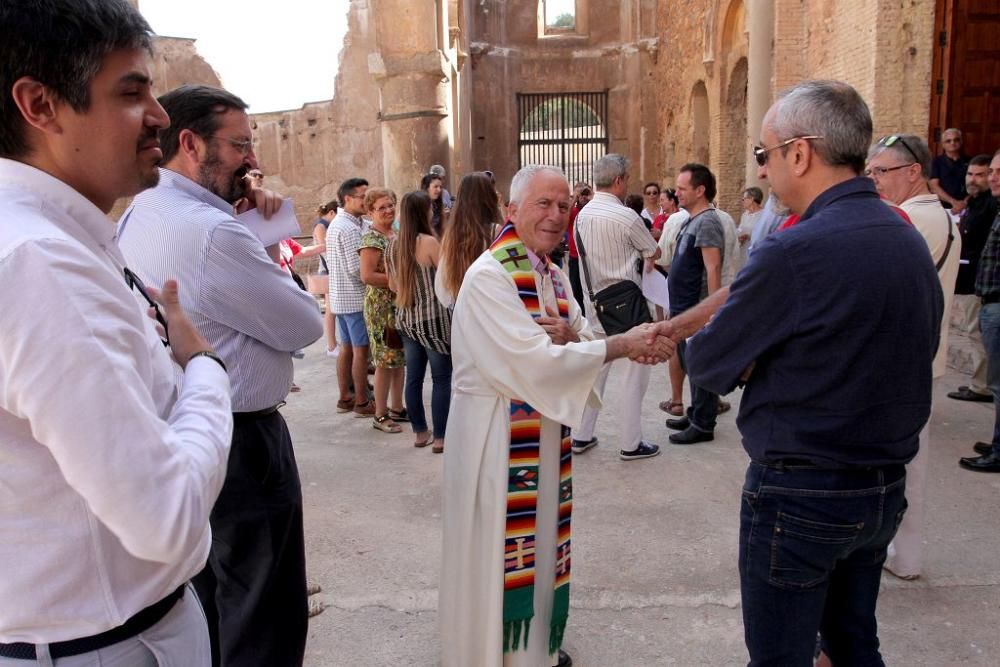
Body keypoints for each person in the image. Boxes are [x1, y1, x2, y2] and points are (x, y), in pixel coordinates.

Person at [654, 79, 942, 665]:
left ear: (800, 153)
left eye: (763, 155)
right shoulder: (905, 237)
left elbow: (707, 361)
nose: (761, 171)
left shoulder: (794, 250)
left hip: (802, 493)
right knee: (855, 641)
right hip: (882, 488)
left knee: (783, 654)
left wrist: (758, 350)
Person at [0, 3, 233, 664]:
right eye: (132, 92)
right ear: (40, 105)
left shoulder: (51, 237)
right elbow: (168, 516)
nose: (160, 115)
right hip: (107, 644)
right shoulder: (39, 262)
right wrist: (205, 370)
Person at [117, 84, 324, 667]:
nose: (252, 162)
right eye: (238, 146)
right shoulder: (214, 232)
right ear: (189, 143)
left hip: (184, 428)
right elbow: (304, 325)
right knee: (264, 614)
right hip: (243, 444)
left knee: (212, 605)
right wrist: (269, 237)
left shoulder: (143, 210)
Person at [439, 164, 675, 667]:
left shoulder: (551, 271)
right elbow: (535, 362)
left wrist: (582, 339)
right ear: (511, 210)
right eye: (542, 204)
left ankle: (532, 646)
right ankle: (492, 655)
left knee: (541, 541)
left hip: (541, 431)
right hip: (495, 438)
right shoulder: (489, 277)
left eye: (563, 205)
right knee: (496, 548)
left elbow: (580, 331)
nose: (554, 215)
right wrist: (621, 343)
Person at [865, 132, 961, 580]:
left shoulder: (909, 220)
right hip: (922, 357)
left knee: (899, 464)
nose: (874, 180)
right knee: (911, 461)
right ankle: (906, 555)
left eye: (881, 171)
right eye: (871, 171)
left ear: (913, 172)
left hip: (901, 361)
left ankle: (899, 554)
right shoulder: (939, 217)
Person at [572, 154, 662, 461]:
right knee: (635, 374)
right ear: (620, 180)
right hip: (629, 307)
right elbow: (653, 250)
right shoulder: (627, 217)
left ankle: (581, 434)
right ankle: (630, 442)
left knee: (595, 370)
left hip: (595, 304)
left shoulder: (581, 215)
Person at [387, 191, 453, 453]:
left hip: (406, 320)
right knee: (441, 379)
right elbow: (446, 280)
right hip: (434, 321)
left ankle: (419, 432)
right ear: (423, 212)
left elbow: (392, 284)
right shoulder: (429, 243)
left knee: (413, 379)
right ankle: (441, 437)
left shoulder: (392, 244)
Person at [664, 163, 725, 444]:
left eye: (682, 188)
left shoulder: (708, 221)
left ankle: (703, 424)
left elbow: (713, 268)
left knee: (699, 364)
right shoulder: (692, 219)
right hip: (684, 307)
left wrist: (711, 311)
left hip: (696, 308)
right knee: (691, 363)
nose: (677, 193)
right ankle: (696, 411)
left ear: (700, 190)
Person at [960, 150, 1000, 473]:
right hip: (987, 298)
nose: (992, 177)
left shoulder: (991, 207)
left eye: (992, 173)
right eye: (992, 171)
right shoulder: (987, 206)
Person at [948, 155, 998, 402]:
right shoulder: (976, 202)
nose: (974, 180)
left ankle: (982, 387)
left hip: (980, 283)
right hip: (970, 279)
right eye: (970, 174)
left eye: (980, 174)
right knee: (974, 333)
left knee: (977, 335)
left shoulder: (991, 206)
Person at [360, 187, 407, 433]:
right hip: (380, 308)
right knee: (384, 362)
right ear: (370, 212)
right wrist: (396, 278)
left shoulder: (396, 231)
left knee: (399, 359)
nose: (388, 210)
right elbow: (367, 275)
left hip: (397, 304)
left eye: (390, 205)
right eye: (381, 207)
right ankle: (380, 414)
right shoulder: (371, 239)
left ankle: (397, 408)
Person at [328, 177, 375, 416]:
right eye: (362, 197)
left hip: (342, 298)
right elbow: (357, 269)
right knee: (360, 351)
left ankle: (345, 397)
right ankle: (361, 401)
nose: (366, 201)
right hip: (354, 298)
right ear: (348, 199)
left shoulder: (347, 223)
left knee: (347, 348)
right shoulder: (346, 228)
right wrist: (378, 273)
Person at [436, 172, 504, 309]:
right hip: (489, 306)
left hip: (460, 307)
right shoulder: (495, 231)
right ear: (489, 197)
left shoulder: (451, 234)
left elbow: (442, 284)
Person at [313, 199, 341, 357]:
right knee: (331, 310)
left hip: (331, 270)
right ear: (331, 213)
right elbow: (324, 250)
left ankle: (334, 345)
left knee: (333, 309)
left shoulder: (326, 224)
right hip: (328, 271)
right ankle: (331, 346)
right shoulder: (321, 226)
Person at [566, 182, 593, 310]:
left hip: (591, 257)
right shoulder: (572, 211)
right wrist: (574, 199)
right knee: (576, 290)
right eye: (581, 194)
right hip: (575, 257)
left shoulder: (594, 211)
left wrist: (592, 199)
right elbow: (564, 218)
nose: (584, 196)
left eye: (586, 193)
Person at [930, 128, 969, 213]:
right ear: (943, 144)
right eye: (948, 141)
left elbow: (977, 184)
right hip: (943, 208)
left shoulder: (970, 161)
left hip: (967, 207)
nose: (953, 143)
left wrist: (964, 203)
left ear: (961, 141)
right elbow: (933, 187)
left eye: (956, 140)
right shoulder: (936, 162)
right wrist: (954, 202)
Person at [422, 172, 448, 237]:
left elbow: (443, 230)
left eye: (440, 187)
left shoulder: (439, 205)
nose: (439, 190)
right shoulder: (416, 203)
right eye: (435, 187)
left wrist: (445, 217)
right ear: (427, 188)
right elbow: (396, 224)